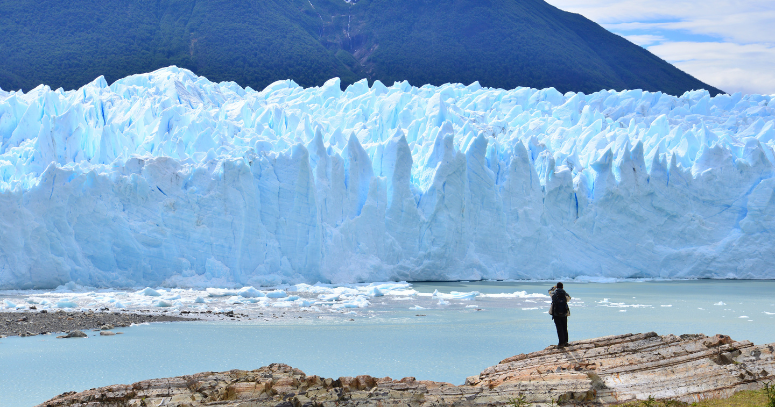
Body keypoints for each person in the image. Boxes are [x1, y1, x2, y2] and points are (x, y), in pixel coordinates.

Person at [549, 282, 570, 347]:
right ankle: (565, 342)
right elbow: (569, 298)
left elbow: (549, 291)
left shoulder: (553, 293)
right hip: (564, 313)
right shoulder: (565, 294)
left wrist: (554, 287)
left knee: (559, 328)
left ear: (557, 287)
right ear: (562, 287)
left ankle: (561, 343)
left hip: (556, 314)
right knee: (564, 327)